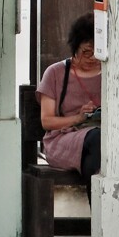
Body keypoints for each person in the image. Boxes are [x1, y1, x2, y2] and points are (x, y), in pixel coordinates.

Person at [36, 13, 102, 178]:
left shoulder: (112, 75)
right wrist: (79, 118)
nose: (93, 58)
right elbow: (47, 121)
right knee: (97, 140)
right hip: (63, 138)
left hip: (101, 138)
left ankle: (97, 201)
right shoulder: (56, 73)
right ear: (75, 47)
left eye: (98, 52)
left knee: (99, 148)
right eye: (87, 52)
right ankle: (100, 200)